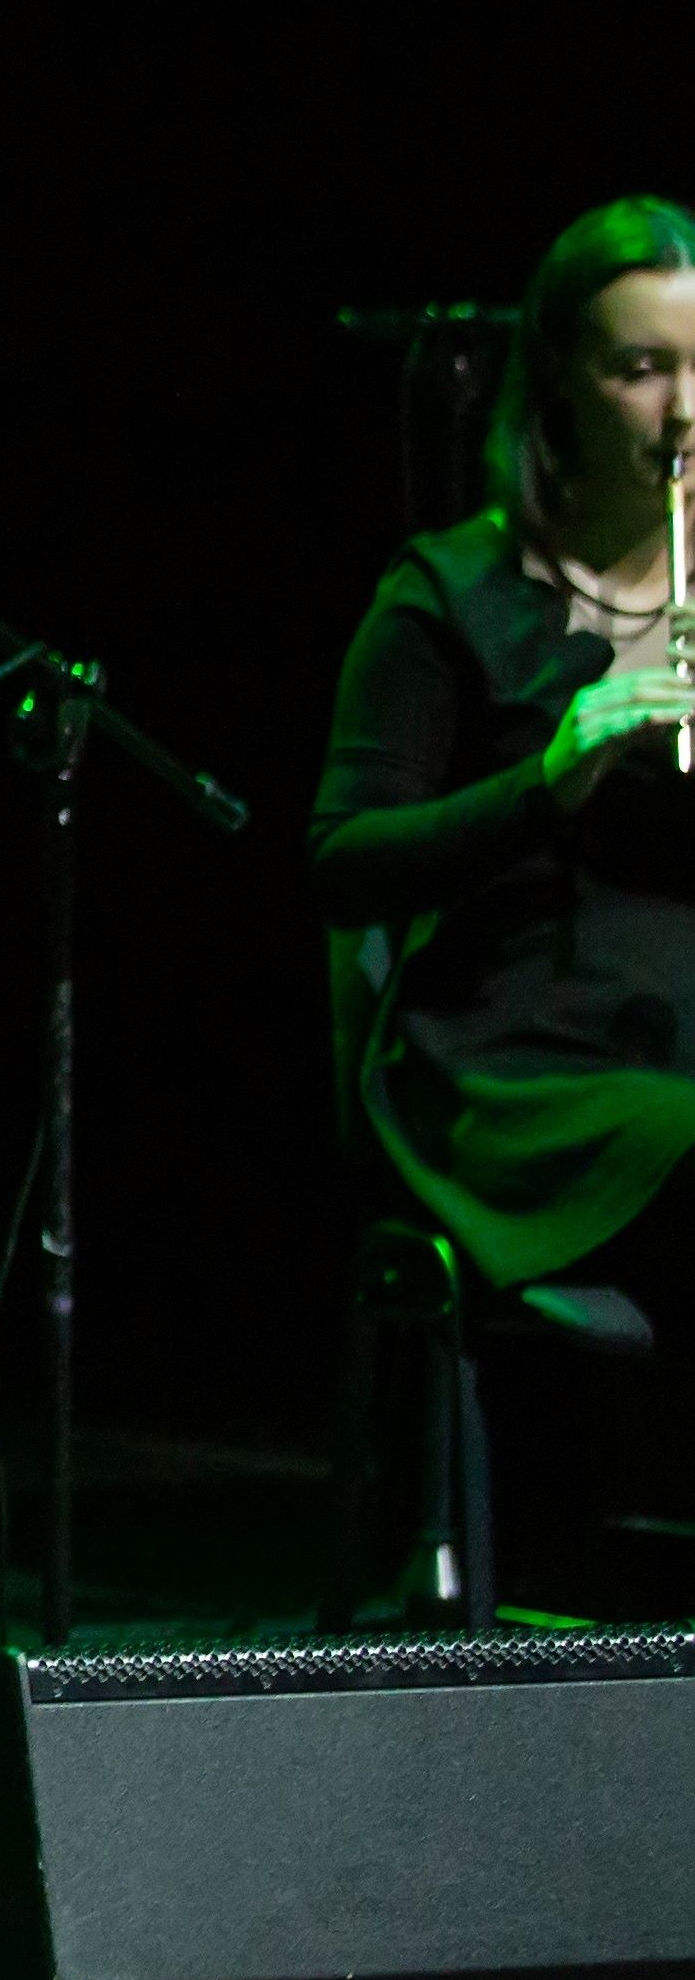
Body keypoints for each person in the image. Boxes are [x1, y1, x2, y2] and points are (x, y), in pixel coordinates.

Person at [313, 194, 695, 1482]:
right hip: (516, 1076)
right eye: (642, 370)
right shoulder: (454, 593)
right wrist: (550, 778)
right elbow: (342, 862)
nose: (685, 412)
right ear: (560, 386)